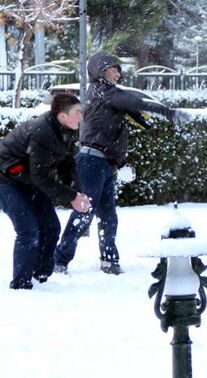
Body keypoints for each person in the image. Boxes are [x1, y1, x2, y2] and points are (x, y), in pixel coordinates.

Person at [54, 53, 184, 275]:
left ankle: (109, 260)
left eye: (118, 69)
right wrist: (168, 112)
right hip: (91, 162)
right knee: (84, 213)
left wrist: (122, 161)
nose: (117, 72)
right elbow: (134, 102)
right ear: (99, 72)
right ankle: (59, 260)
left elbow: (123, 121)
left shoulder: (105, 94)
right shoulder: (103, 91)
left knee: (108, 217)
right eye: (112, 68)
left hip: (103, 164)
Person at [0, 94, 92, 289]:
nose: (81, 117)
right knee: (28, 230)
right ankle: (21, 284)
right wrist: (72, 197)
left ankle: (40, 276)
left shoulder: (66, 130)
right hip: (6, 180)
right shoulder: (42, 131)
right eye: (78, 112)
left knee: (51, 228)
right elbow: (40, 177)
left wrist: (78, 193)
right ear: (62, 115)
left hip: (28, 180)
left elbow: (66, 165)